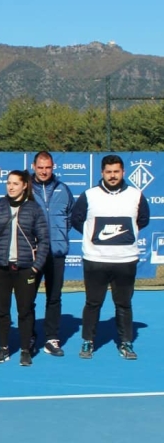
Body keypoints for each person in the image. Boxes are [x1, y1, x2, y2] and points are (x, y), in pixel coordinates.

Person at [71, 154, 149, 360]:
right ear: (102, 173)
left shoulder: (136, 195)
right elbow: (77, 220)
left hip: (125, 260)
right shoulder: (89, 195)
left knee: (123, 304)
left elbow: (143, 220)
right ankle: (88, 341)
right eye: (108, 172)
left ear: (123, 172)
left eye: (116, 172)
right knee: (93, 303)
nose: (112, 176)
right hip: (95, 260)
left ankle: (126, 343)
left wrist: (121, 238)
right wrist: (94, 239)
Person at [0, 170, 49, 367]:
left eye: (15, 183)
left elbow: (44, 240)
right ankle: (3, 348)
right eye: (8, 183)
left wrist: (36, 267)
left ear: (24, 186)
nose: (11, 187)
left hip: (25, 269)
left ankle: (25, 349)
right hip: (0, 269)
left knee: (25, 311)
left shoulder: (34, 209)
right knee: (2, 311)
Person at [30, 151, 74, 356]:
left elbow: (71, 218)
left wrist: (59, 237)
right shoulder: (26, 189)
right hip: (32, 255)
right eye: (40, 167)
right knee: (27, 298)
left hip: (56, 253)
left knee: (54, 297)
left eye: (47, 167)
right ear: (33, 167)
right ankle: (28, 337)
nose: (44, 171)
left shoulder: (63, 190)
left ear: (53, 167)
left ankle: (51, 338)